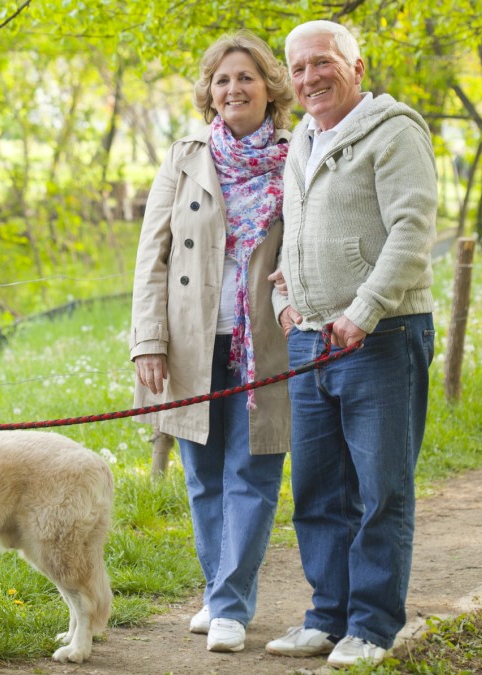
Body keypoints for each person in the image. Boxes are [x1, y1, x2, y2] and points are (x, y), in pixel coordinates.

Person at [263, 20, 437, 668]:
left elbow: (412, 230)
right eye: (299, 67)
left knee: (380, 489)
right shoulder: (301, 141)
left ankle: (371, 624)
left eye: (322, 63)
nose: (310, 77)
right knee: (317, 489)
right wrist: (286, 300)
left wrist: (363, 312)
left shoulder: (394, 131)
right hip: (311, 340)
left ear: (356, 66)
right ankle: (326, 615)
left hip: (383, 336)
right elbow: (297, 238)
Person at [129, 30, 295, 654]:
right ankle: (218, 588)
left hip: (264, 342)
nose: (233, 89)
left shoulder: (294, 154)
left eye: (246, 77)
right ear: (209, 91)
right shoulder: (185, 156)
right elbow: (153, 254)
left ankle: (229, 604)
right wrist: (148, 339)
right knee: (201, 475)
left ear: (269, 87)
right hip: (190, 339)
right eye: (222, 80)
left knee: (251, 471)